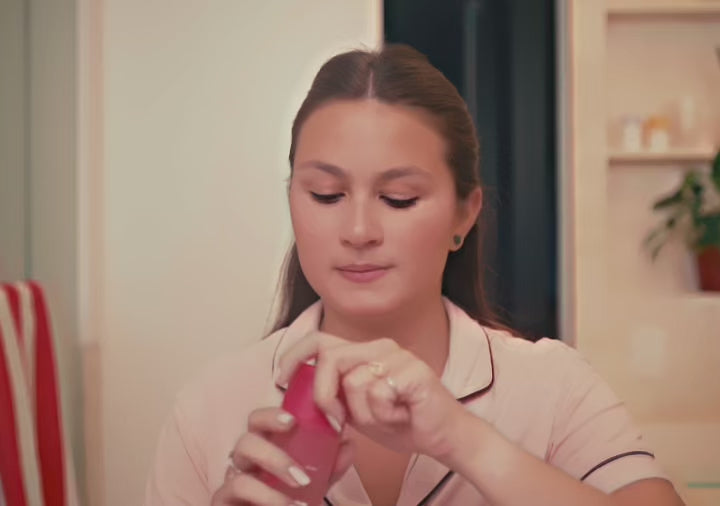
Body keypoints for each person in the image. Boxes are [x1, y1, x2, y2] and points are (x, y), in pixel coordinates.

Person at [144, 44, 685, 506]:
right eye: (326, 195)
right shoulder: (210, 407)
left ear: (464, 214)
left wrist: (461, 438)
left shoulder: (553, 387)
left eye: (399, 198)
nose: (359, 230)